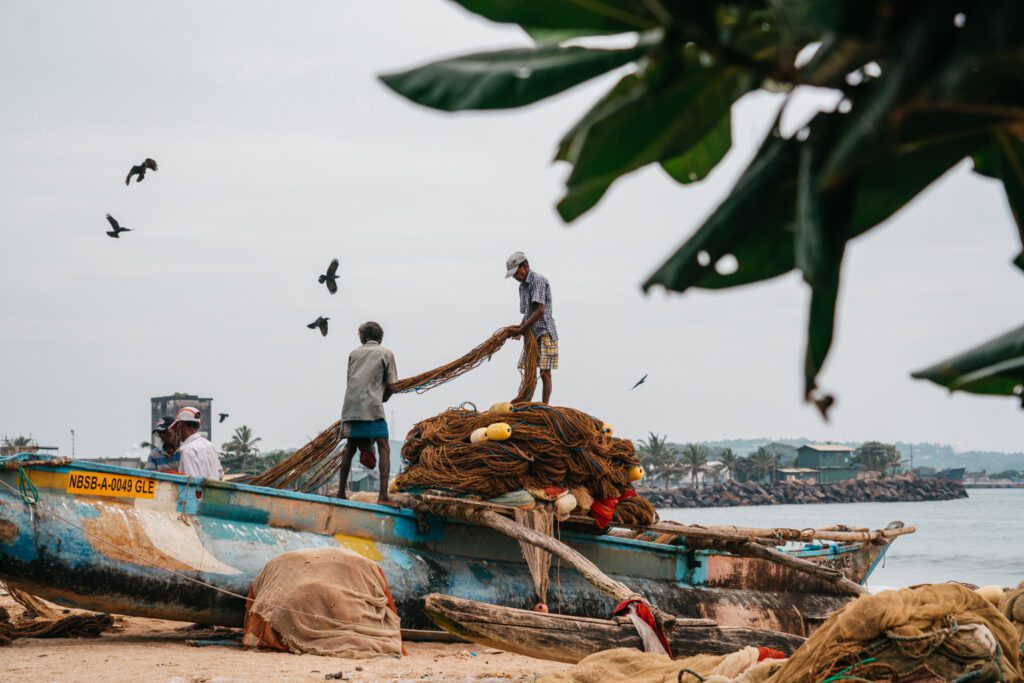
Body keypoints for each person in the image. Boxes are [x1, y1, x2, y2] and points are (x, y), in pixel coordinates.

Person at [338, 321, 398, 505]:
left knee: (350, 447)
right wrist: (383, 398)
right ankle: (383, 496)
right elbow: (392, 385)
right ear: (380, 338)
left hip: (350, 406)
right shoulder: (386, 353)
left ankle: (340, 493)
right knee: (384, 447)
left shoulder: (354, 353)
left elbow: (351, 380)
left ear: (363, 338)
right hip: (372, 406)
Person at [504, 251, 558, 404]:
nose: (515, 276)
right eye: (513, 274)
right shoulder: (522, 286)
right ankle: (526, 401)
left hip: (545, 331)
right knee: (530, 371)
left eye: (516, 272)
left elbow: (540, 310)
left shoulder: (538, 281)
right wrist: (521, 330)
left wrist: (521, 329)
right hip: (531, 333)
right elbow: (529, 312)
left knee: (545, 372)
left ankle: (545, 406)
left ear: (525, 266)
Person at [169, 407, 224, 480]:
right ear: (198, 425)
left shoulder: (186, 450)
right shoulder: (209, 445)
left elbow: (191, 481)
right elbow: (220, 474)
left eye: (176, 426)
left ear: (180, 425)